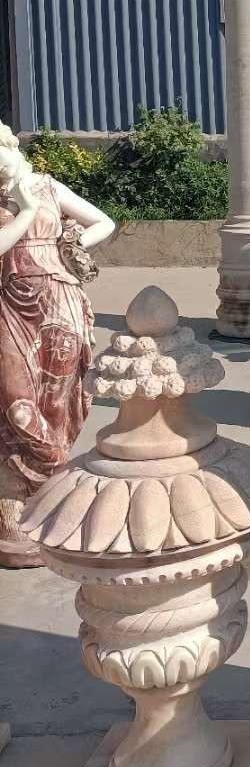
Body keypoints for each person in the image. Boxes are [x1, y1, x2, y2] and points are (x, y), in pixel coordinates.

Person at [0, 124, 114, 567]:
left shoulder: (47, 186)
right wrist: (26, 211)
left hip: (61, 301)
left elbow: (103, 221)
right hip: (11, 306)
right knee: (16, 401)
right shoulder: (18, 199)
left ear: (11, 147)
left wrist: (67, 246)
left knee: (61, 400)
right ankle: (23, 497)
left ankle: (45, 495)